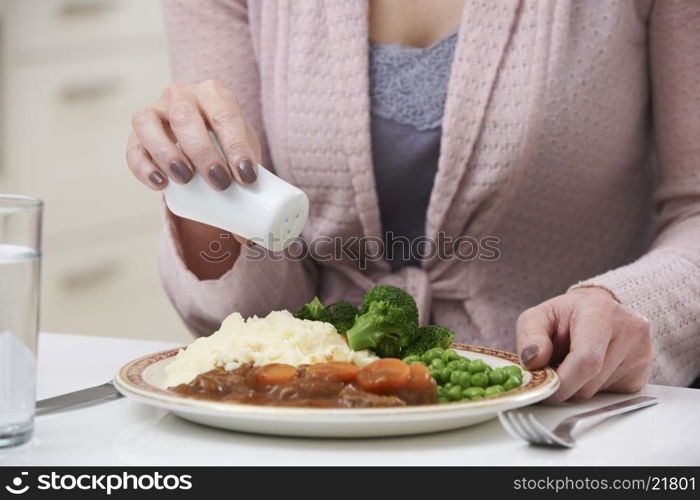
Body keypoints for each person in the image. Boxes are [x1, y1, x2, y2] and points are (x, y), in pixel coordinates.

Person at [125, 0, 700, 401]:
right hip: (312, 405)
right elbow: (246, 306)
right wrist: (207, 207)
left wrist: (624, 306)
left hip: (563, 411)